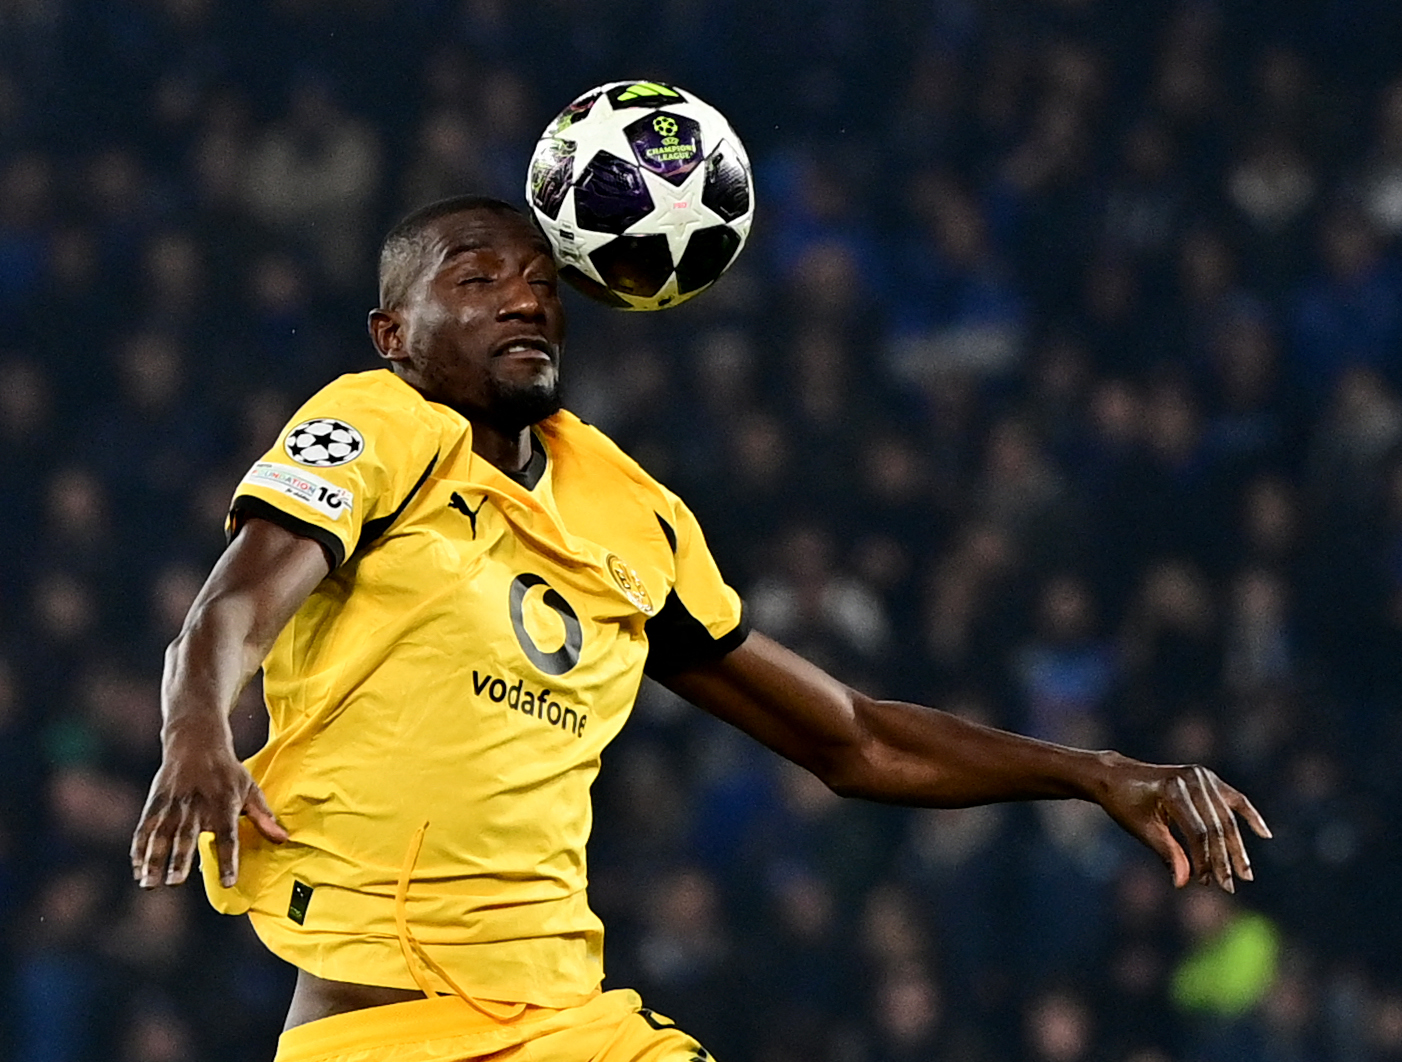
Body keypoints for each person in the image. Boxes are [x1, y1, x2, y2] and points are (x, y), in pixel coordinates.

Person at [130, 194, 1270, 1062]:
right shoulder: (381, 424)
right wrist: (196, 729)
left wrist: (1095, 772)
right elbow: (232, 606)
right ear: (393, 332)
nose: (523, 297)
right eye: (475, 279)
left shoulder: (629, 511)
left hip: (571, 1026)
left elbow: (855, 738)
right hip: (386, 1034)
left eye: (539, 280)